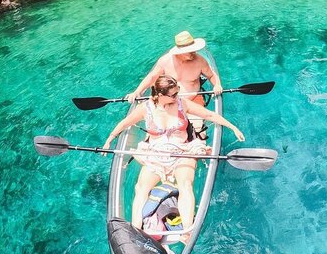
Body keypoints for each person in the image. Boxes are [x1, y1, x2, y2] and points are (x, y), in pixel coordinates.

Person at [103, 75, 245, 240]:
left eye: (177, 92)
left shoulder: (181, 104)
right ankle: (136, 231)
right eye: (173, 95)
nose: (177, 97)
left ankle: (186, 231)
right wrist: (109, 140)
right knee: (140, 188)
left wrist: (233, 127)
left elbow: (209, 115)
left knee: (185, 184)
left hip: (183, 152)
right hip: (155, 154)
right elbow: (124, 123)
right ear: (159, 95)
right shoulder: (145, 108)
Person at [126, 31, 223, 107]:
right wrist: (137, 92)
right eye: (190, 51)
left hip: (192, 99)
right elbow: (152, 77)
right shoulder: (165, 61)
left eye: (194, 50)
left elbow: (211, 75)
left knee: (199, 130)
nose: (194, 52)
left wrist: (217, 85)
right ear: (179, 52)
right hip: (167, 101)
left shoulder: (200, 61)